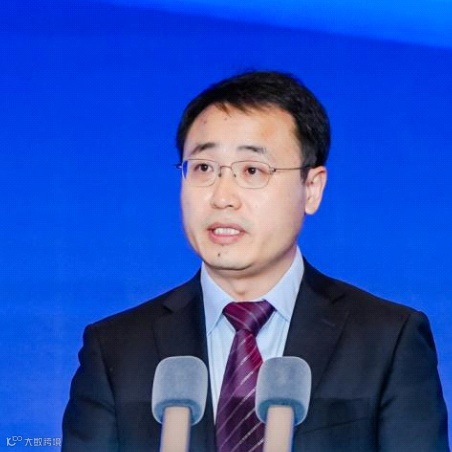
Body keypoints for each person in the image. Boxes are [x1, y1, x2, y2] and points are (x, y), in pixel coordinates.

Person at [62, 70, 449, 451]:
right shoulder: (115, 349)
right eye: (203, 168)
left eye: (251, 170)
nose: (222, 197)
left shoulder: (388, 341)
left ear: (312, 188)